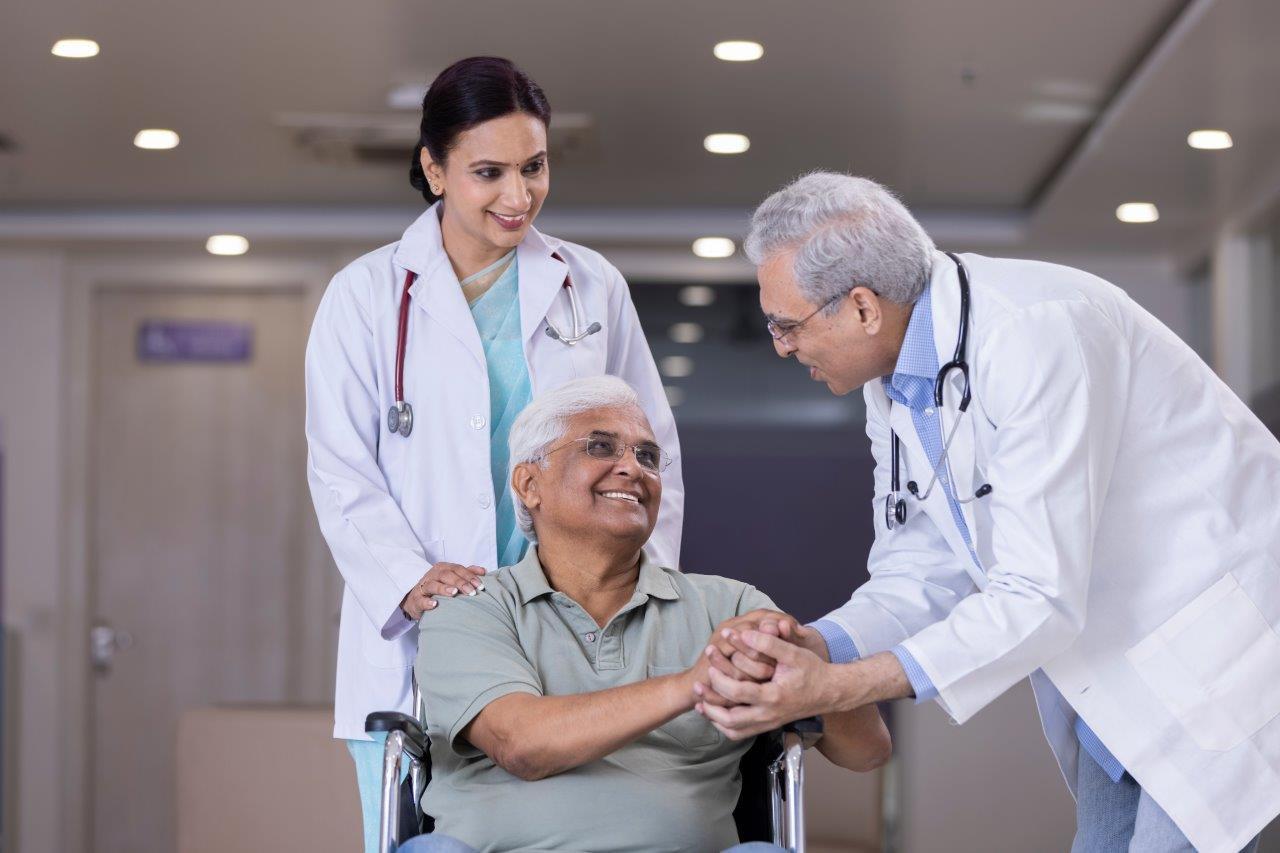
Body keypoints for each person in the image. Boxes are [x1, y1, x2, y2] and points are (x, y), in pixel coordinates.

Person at [695, 172, 1280, 853]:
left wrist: (840, 685)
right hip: (1113, 674)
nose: (781, 345)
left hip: (1216, 650)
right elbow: (921, 564)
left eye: (787, 324)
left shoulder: (1036, 333)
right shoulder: (897, 384)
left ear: (861, 306)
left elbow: (1037, 590)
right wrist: (818, 645)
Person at [304, 58, 683, 853]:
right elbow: (341, 468)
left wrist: (644, 596)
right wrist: (408, 579)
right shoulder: (367, 296)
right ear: (433, 168)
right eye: (488, 172)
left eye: (534, 167)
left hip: (574, 623)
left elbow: (653, 458)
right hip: (424, 642)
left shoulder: (592, 285)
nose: (518, 196)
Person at [401, 376, 890, 853]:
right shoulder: (470, 604)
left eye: (648, 456)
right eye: (600, 447)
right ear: (531, 484)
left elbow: (866, 751)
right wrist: (694, 683)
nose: (633, 468)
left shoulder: (730, 606)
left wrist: (811, 657)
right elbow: (520, 744)